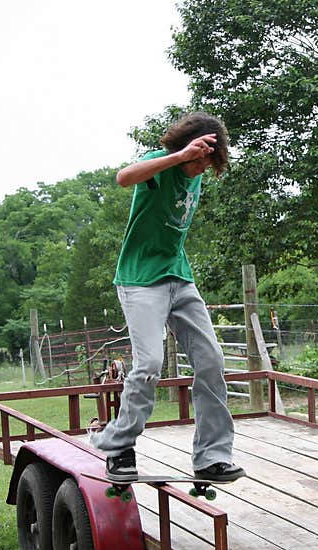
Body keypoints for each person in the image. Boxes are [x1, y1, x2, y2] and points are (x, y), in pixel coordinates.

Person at [90, 111, 245, 484]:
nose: (202, 171)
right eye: (200, 162)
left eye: (210, 164)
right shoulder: (158, 165)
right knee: (149, 366)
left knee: (211, 361)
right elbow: (123, 178)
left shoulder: (198, 175)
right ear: (186, 151)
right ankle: (117, 447)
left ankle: (211, 457)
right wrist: (178, 158)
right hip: (141, 280)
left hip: (179, 277)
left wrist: (196, 160)